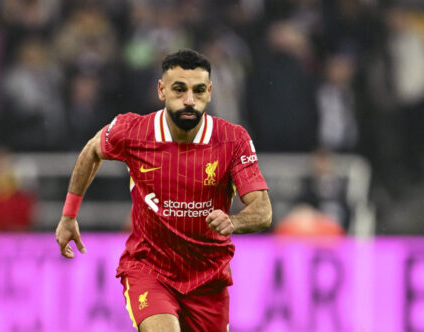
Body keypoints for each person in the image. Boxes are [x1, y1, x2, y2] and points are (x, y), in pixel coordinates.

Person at [55, 49, 272, 332]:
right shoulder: (133, 131)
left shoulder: (233, 140)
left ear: (210, 92)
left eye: (199, 90)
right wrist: (69, 215)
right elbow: (92, 150)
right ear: (161, 90)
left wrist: (234, 221)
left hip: (208, 280)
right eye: (179, 89)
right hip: (149, 269)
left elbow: (263, 210)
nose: (189, 101)